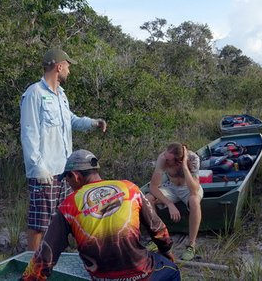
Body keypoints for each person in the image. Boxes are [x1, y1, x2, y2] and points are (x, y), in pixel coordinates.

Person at [21, 149, 180, 281]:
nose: (67, 183)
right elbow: (158, 228)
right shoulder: (129, 188)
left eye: (67, 178)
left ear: (76, 176)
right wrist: (166, 251)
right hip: (142, 274)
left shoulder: (67, 205)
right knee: (172, 270)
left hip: (102, 277)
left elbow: (44, 258)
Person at [20, 48, 107, 251]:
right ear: (59, 67)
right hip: (45, 172)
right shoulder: (34, 94)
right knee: (39, 224)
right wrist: (38, 167)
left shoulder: (61, 95)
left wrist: (93, 123)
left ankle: (53, 259)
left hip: (64, 171)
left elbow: (71, 120)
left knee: (62, 219)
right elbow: (29, 133)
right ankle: (33, 266)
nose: (69, 70)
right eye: (68, 66)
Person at [145, 143, 202, 261]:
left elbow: (194, 189)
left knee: (194, 200)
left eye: (168, 159)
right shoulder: (163, 158)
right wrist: (169, 204)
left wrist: (185, 167)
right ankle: (157, 238)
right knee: (148, 198)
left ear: (178, 161)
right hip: (171, 187)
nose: (165, 159)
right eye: (165, 156)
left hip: (189, 187)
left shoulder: (193, 158)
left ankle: (191, 245)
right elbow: (153, 187)